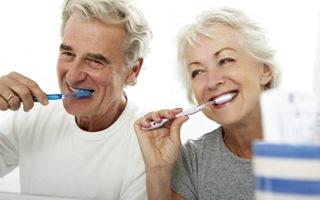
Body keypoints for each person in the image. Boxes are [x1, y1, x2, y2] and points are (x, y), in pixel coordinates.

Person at [0, 0, 152, 199]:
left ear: (133, 70)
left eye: (95, 61)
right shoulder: (32, 116)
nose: (72, 76)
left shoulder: (147, 148)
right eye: (68, 54)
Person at [134, 7, 281, 200]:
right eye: (198, 72)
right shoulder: (192, 160)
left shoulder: (310, 142)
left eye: (225, 60)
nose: (212, 82)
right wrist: (158, 171)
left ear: (265, 70)